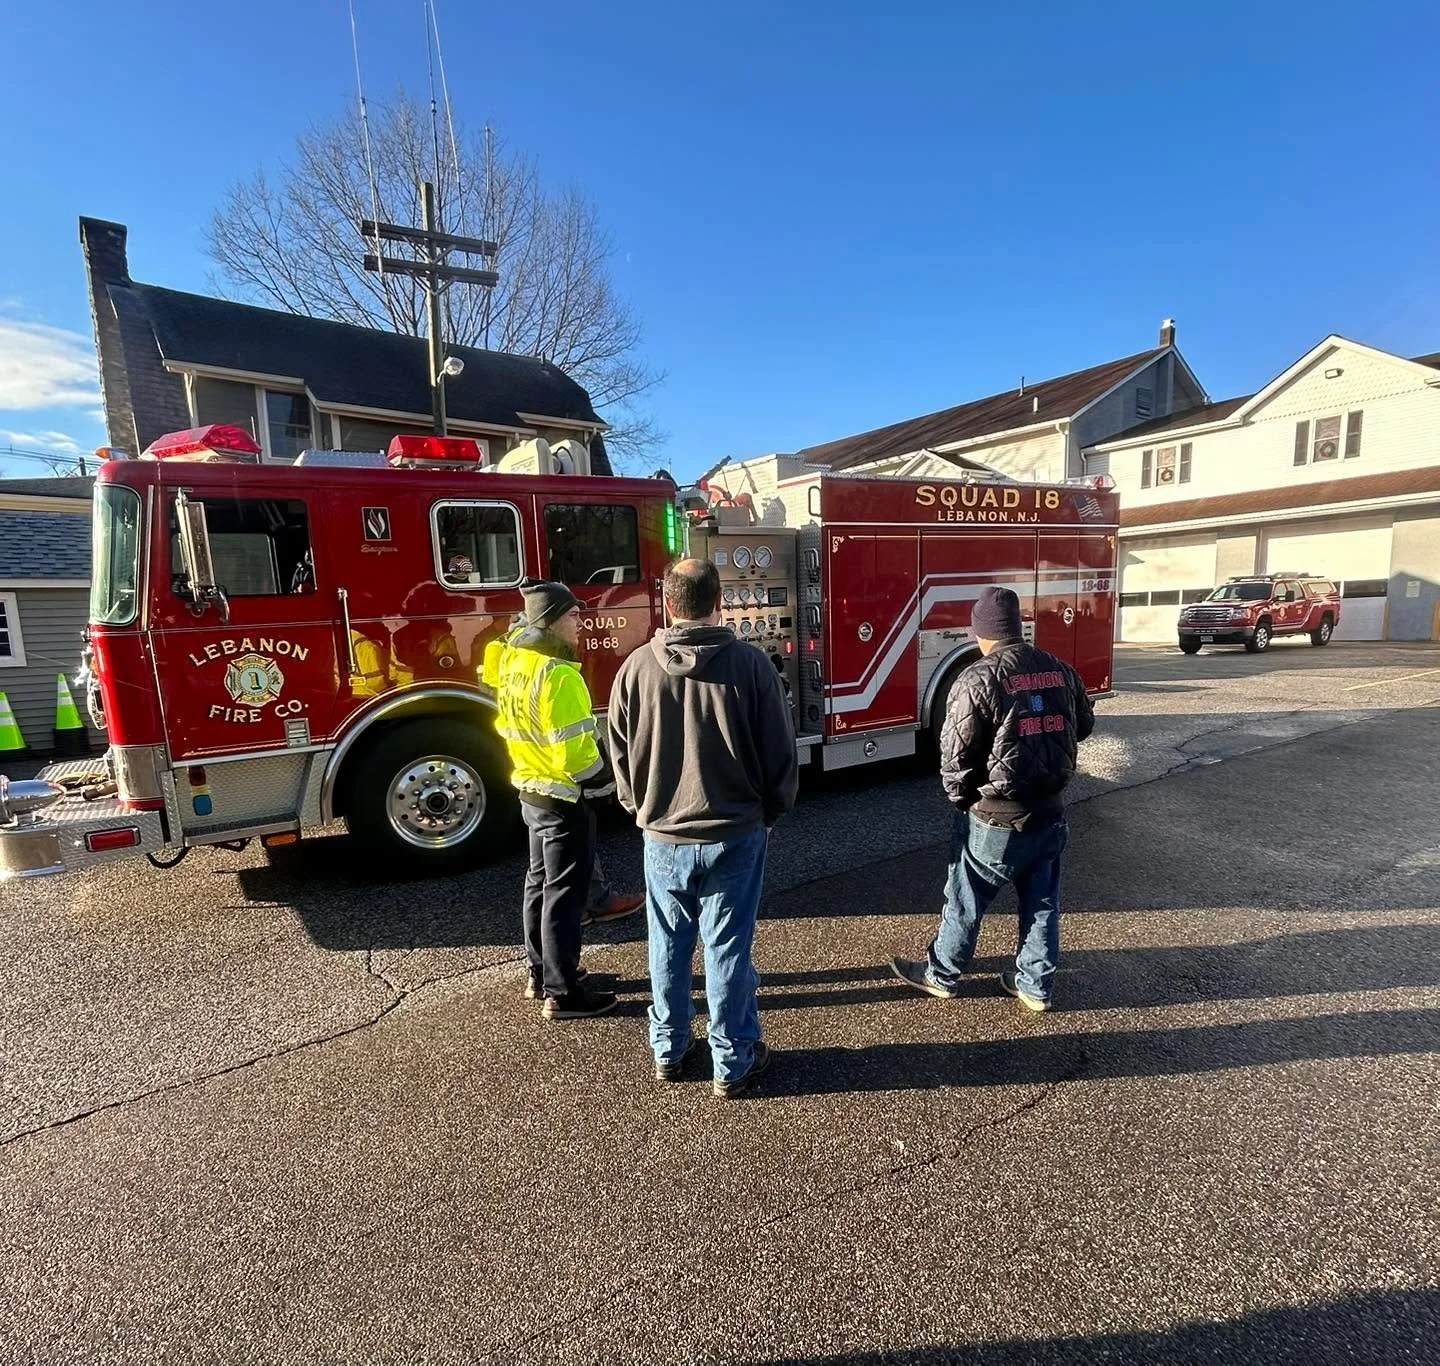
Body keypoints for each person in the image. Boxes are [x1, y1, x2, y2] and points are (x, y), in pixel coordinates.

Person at [608, 558, 799, 1097]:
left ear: (668, 604)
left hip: (662, 834)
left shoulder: (636, 668)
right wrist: (773, 812)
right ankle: (732, 1060)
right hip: (736, 831)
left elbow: (617, 750)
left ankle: (668, 1048)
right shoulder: (752, 666)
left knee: (666, 942)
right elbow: (780, 751)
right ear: (720, 602)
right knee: (727, 947)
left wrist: (639, 808)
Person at [891, 585, 1094, 1013]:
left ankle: (942, 974)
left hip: (995, 817)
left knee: (966, 899)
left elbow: (955, 756)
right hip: (1050, 810)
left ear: (980, 631)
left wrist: (963, 802)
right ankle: (1035, 986)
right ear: (1017, 627)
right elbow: (1084, 724)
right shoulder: (1059, 668)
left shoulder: (976, 678)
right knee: (1042, 903)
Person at [485, 580, 639, 1020]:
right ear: (550, 622)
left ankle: (540, 974)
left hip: (531, 789)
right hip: (563, 797)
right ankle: (564, 992)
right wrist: (607, 783)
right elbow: (576, 755)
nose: (579, 623)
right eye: (572, 615)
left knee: (539, 885)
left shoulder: (514, 661)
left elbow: (493, 677)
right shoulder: (560, 675)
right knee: (566, 897)